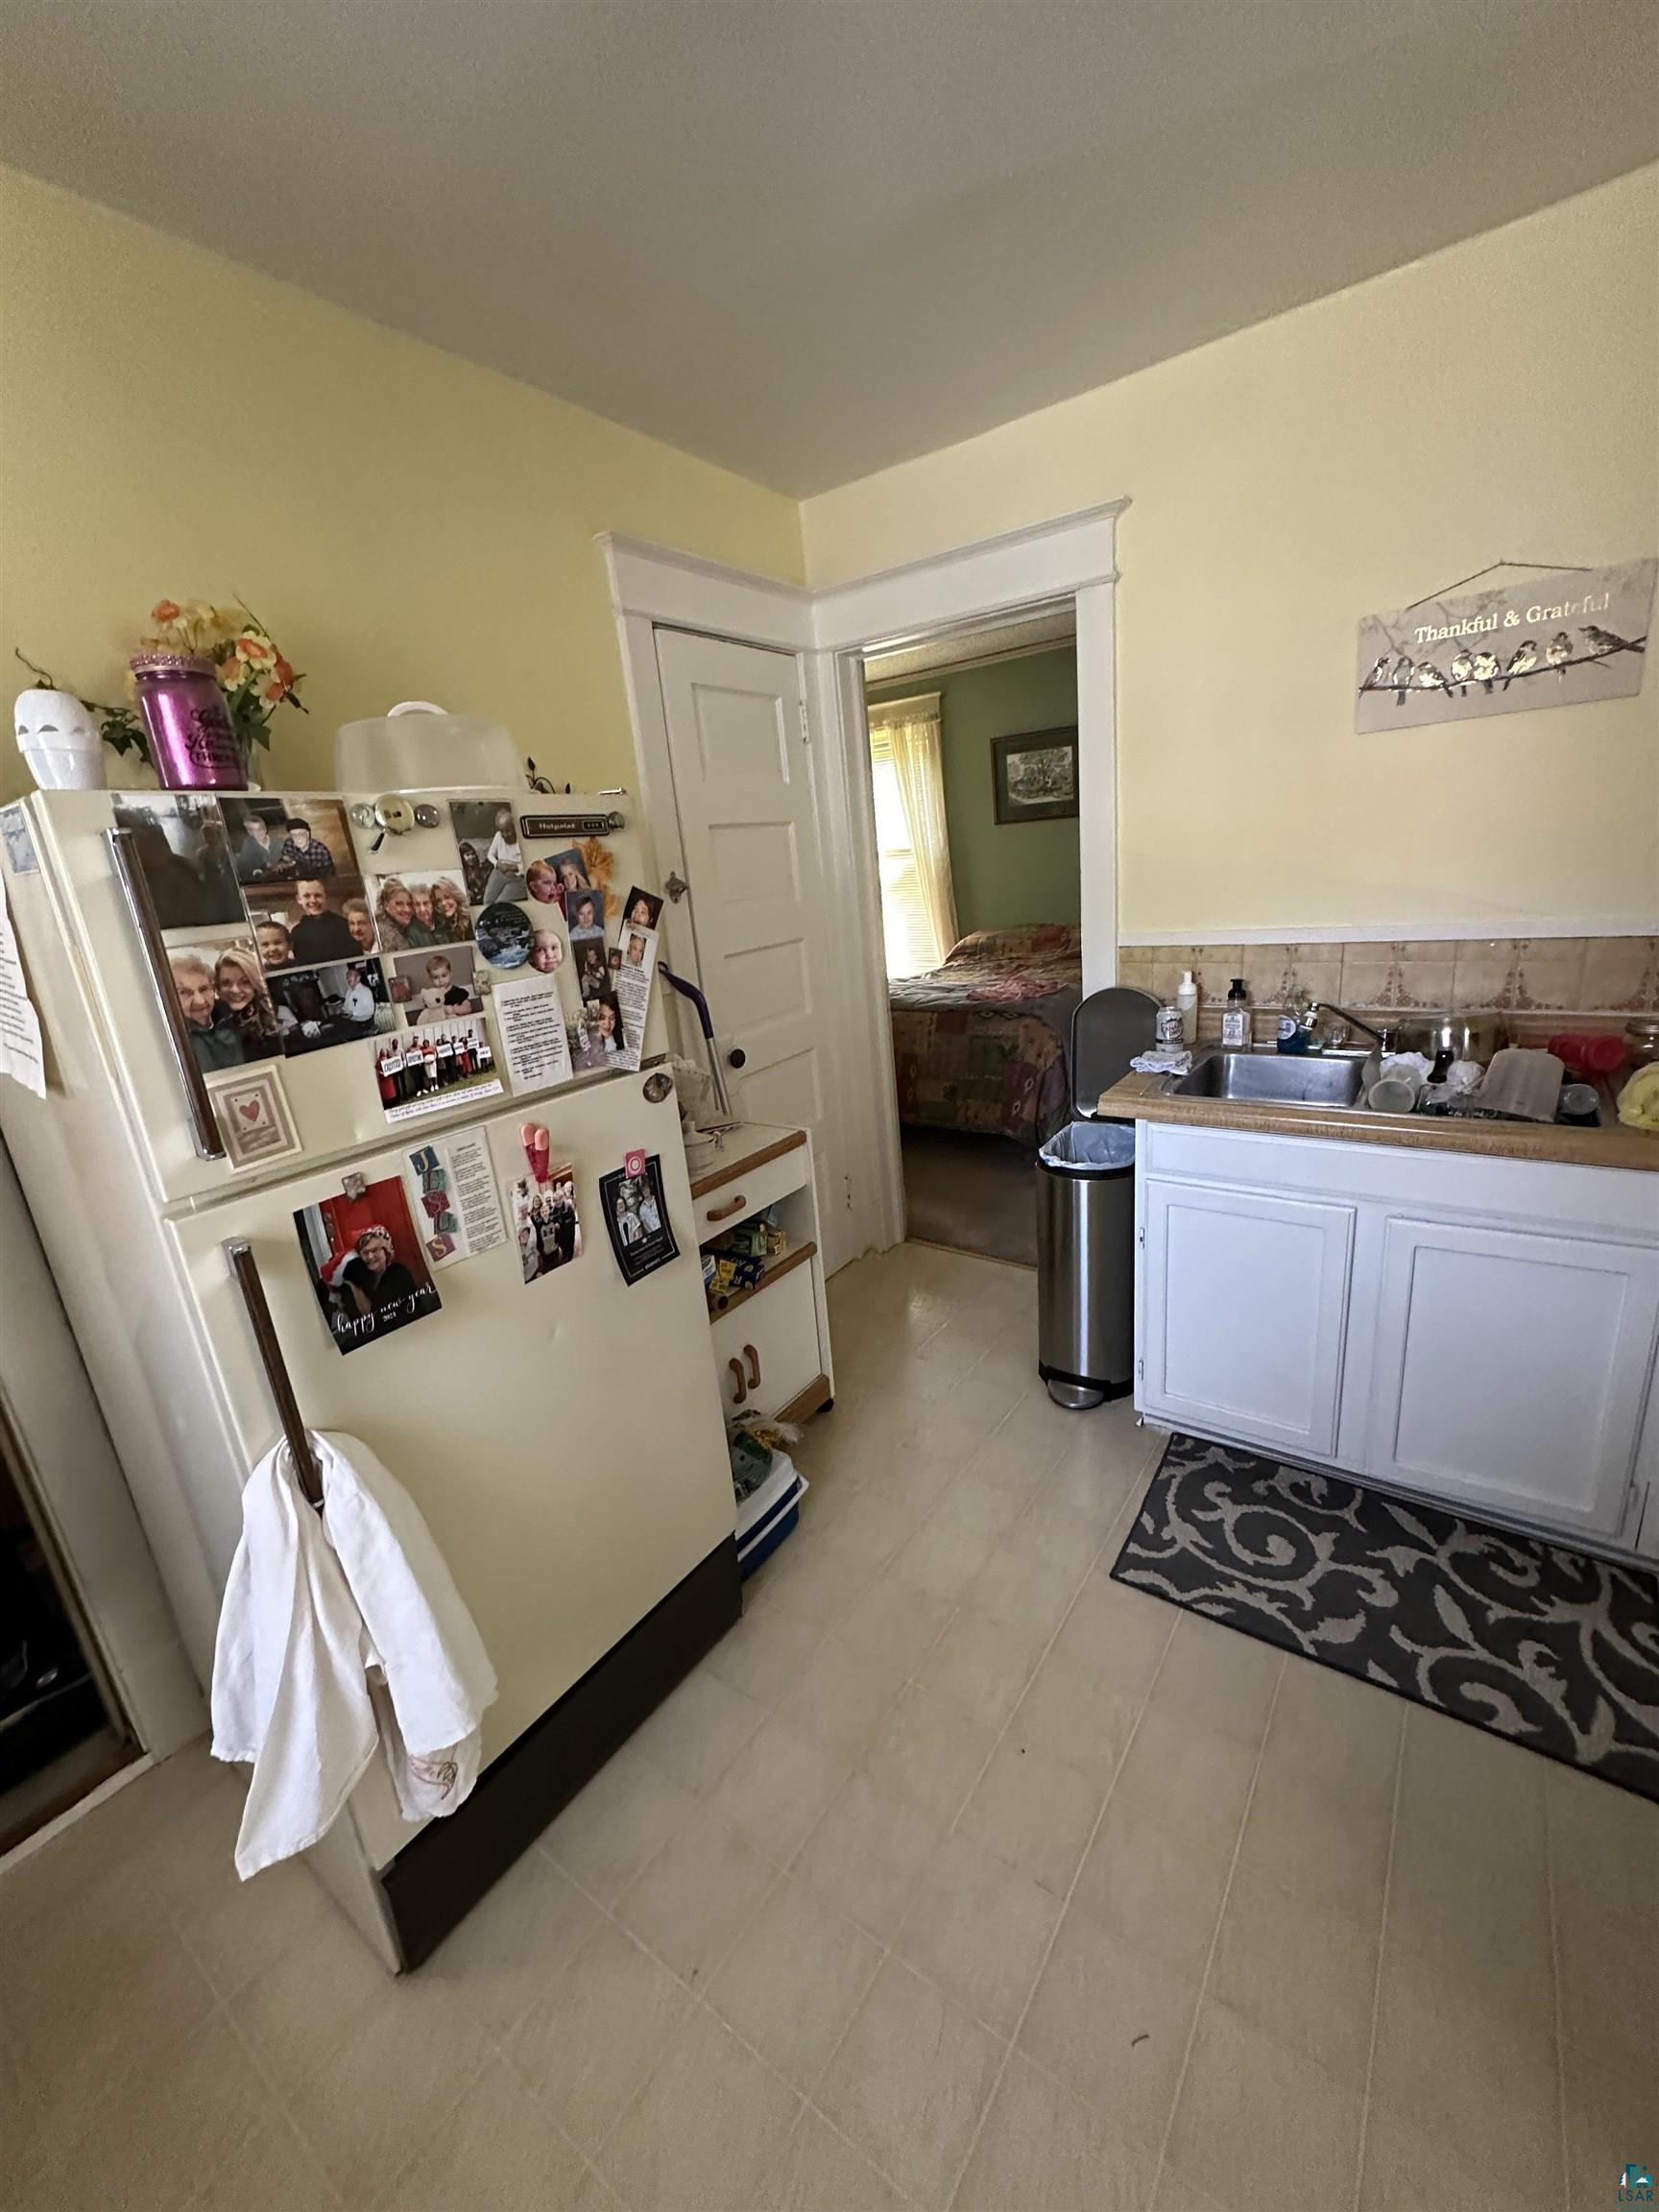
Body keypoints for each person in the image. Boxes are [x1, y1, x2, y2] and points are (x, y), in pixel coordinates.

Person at [171, 952, 245, 1071]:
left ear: (213, 989)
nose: (200, 1001)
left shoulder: (235, 1019)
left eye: (204, 989)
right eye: (185, 992)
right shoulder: (174, 1040)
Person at [338, 1225, 421, 1329]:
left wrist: (354, 1288)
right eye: (365, 1252)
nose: (370, 1257)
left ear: (386, 1251)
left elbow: (377, 1318)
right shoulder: (367, 1280)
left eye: (375, 1250)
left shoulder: (398, 1273)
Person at [214, 949, 280, 1058]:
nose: (235, 990)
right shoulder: (213, 1021)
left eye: (245, 982)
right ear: (218, 987)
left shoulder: (277, 1019)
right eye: (226, 982)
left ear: (256, 984)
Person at [288, 878, 357, 963]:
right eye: (307, 896)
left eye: (317, 895)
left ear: (325, 896)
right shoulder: (296, 932)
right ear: (299, 899)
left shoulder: (344, 924)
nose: (313, 900)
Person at [374, 878, 431, 953]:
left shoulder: (406, 928)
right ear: (386, 905)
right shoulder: (384, 935)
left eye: (409, 904)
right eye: (399, 904)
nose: (407, 909)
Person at [482, 805, 525, 904]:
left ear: (515, 828)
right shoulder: (498, 836)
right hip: (500, 871)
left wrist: (515, 867)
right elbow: (490, 855)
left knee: (501, 903)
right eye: (502, 831)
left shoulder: (522, 839)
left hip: (518, 877)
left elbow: (532, 866)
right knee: (487, 901)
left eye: (508, 831)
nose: (505, 835)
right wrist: (497, 864)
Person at [233, 811, 280, 883]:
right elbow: (243, 866)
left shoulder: (277, 841)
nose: (259, 832)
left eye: (261, 828)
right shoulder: (248, 844)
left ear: (265, 829)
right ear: (250, 833)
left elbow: (285, 858)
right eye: (254, 830)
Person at [429, 877, 473, 944]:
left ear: (456, 897)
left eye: (447, 897)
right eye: (439, 900)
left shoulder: (472, 920)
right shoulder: (443, 928)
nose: (443, 903)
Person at [339, 964, 377, 1031]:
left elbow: (370, 1011)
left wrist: (353, 1013)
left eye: (350, 975)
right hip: (350, 1021)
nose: (348, 978)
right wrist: (342, 1010)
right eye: (347, 977)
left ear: (358, 978)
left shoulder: (366, 991)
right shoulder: (349, 991)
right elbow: (346, 1006)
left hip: (362, 1024)